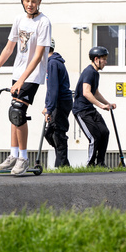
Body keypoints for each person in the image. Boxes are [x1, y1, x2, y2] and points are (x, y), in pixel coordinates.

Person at [0, 0, 51, 176]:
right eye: (27, 1)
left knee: (18, 112)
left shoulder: (44, 22)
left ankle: (23, 158)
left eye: (34, 1)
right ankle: (13, 155)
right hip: (18, 72)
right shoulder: (19, 19)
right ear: (22, 1)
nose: (30, 4)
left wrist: (22, 79)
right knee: (13, 114)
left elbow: (38, 55)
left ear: (39, 3)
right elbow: (8, 48)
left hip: (33, 74)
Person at [72, 46, 116, 167]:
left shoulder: (95, 73)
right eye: (104, 59)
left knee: (105, 132)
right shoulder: (89, 72)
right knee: (94, 137)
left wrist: (108, 103)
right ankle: (90, 165)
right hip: (81, 111)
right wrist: (101, 106)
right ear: (96, 59)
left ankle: (100, 163)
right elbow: (86, 92)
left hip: (90, 109)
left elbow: (95, 92)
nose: (106, 62)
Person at [43, 39, 73, 167]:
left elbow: (54, 88)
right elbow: (50, 88)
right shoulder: (52, 62)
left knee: (58, 134)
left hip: (60, 102)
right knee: (50, 133)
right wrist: (47, 105)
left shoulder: (53, 63)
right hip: (58, 101)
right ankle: (64, 163)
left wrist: (49, 109)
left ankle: (61, 166)